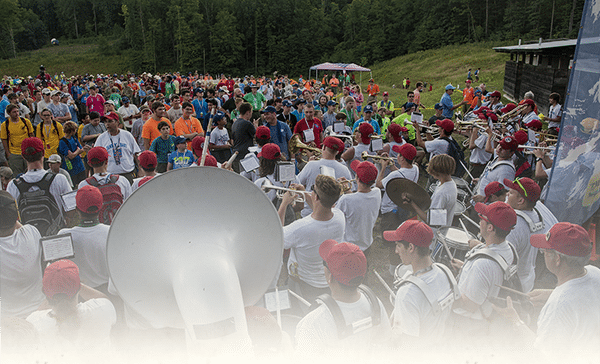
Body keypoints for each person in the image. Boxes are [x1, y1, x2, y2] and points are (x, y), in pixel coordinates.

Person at [499, 222, 600, 357]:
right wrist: (551, 294)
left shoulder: (557, 307)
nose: (543, 254)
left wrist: (515, 321)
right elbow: (586, 294)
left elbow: (544, 354)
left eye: (544, 251)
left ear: (557, 259)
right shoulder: (594, 272)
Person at [295, 239, 391, 352]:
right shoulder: (375, 304)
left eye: (324, 263)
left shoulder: (312, 324)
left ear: (330, 276)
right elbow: (386, 343)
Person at [385, 220, 458, 342]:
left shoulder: (407, 294)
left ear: (411, 248)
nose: (396, 251)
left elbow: (408, 345)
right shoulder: (445, 272)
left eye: (398, 245)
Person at [451, 201, 518, 333]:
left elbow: (470, 305)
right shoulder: (509, 249)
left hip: (469, 325)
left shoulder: (482, 265)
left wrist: (443, 293)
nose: (480, 221)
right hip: (486, 316)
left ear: (490, 228)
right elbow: (491, 278)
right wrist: (465, 268)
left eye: (482, 219)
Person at [278, 175, 345, 304]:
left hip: (303, 281)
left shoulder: (300, 228)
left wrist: (284, 204)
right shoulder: (339, 217)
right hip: (327, 279)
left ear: (316, 197)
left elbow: (278, 236)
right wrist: (305, 192)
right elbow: (322, 208)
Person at [26, 260, 116, 354]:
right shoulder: (102, 309)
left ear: (45, 292)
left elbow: (36, 315)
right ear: (78, 288)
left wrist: (51, 290)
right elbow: (105, 300)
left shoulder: (34, 323)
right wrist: (75, 283)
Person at [7, 137, 71, 236]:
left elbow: (11, 219)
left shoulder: (13, 185)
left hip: (28, 241)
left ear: (23, 156)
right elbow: (71, 212)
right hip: (56, 238)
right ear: (43, 153)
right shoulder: (59, 179)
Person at [504, 177, 557, 292]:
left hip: (513, 285)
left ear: (520, 201)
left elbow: (503, 261)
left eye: (511, 193)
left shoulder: (513, 225)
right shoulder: (537, 214)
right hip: (528, 279)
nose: (507, 194)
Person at [0, 190, 45, 318]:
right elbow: (19, 226)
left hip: (7, 319)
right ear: (17, 216)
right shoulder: (31, 232)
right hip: (38, 313)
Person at [57, 186, 110, 290]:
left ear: (77, 209)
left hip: (79, 294)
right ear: (101, 207)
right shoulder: (111, 232)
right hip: (108, 292)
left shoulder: (63, 235)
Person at [296, 136, 351, 217]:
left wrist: (309, 164)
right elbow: (349, 191)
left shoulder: (311, 165)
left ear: (324, 147)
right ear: (336, 152)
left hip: (309, 213)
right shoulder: (344, 169)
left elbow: (298, 182)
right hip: (333, 214)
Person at [336, 160, 381, 253]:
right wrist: (347, 189)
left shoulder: (345, 200)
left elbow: (335, 218)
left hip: (349, 247)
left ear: (357, 178)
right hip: (366, 244)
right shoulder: (377, 192)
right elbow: (359, 200)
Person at [78, 146, 132, 224]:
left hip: (99, 228)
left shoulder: (84, 185)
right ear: (106, 161)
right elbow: (129, 206)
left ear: (89, 163)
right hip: (120, 225)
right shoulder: (122, 180)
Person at [410, 154, 457, 227]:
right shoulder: (451, 184)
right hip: (443, 227)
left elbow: (432, 222)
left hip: (433, 234)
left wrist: (413, 205)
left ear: (437, 171)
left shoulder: (442, 193)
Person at [94, 112, 140, 183]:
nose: (107, 124)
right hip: (111, 175)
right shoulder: (101, 138)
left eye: (110, 121)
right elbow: (97, 157)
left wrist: (140, 170)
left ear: (117, 122)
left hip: (128, 173)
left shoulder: (127, 135)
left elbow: (136, 153)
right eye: (105, 122)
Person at [473, 135, 518, 201]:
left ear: (511, 153)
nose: (499, 149)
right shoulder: (498, 157)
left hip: (485, 206)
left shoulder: (506, 170)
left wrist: (485, 199)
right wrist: (481, 181)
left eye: (504, 148)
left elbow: (503, 196)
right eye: (500, 145)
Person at [1, 104, 35, 176]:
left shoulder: (26, 122)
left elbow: (31, 136)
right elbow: (4, 140)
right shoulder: (5, 125)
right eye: (14, 112)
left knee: (30, 173)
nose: (17, 113)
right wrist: (8, 153)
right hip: (14, 153)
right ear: (9, 113)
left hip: (27, 152)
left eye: (17, 111)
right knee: (17, 175)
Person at [58, 121, 88, 186]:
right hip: (70, 168)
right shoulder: (63, 141)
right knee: (73, 186)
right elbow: (71, 156)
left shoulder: (74, 138)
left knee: (83, 184)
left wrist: (78, 151)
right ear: (71, 130)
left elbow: (81, 149)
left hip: (80, 166)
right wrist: (78, 151)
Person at [232, 102, 257, 173]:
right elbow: (258, 137)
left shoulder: (235, 123)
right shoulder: (247, 124)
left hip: (236, 155)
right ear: (248, 112)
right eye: (251, 112)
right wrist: (256, 126)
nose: (251, 114)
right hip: (245, 156)